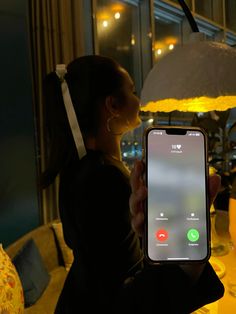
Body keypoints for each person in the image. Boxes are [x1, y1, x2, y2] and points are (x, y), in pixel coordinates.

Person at [42, 55, 224, 314]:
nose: (139, 100)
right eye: (133, 91)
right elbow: (123, 290)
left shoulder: (82, 167)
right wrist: (185, 270)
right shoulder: (105, 178)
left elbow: (109, 263)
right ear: (113, 105)